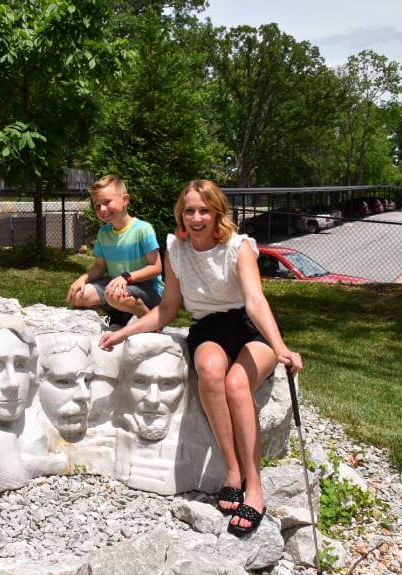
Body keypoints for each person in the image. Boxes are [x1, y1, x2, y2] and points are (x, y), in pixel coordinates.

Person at [100, 179, 303, 536]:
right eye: (190, 210)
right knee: (210, 373)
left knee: (237, 384)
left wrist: (281, 346)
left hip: (248, 327)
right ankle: (232, 470)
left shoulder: (238, 248)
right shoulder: (176, 250)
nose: (196, 218)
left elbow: (256, 302)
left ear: (217, 213)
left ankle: (254, 490)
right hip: (208, 327)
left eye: (204, 210)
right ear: (182, 214)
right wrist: (123, 333)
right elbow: (167, 310)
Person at [67, 175, 163, 327]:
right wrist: (82, 279)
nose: (102, 209)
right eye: (97, 205)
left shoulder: (143, 229)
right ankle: (123, 313)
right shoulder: (104, 233)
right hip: (117, 287)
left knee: (112, 294)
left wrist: (126, 278)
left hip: (148, 290)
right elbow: (99, 267)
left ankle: (148, 317)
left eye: (107, 202)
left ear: (125, 200)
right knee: (77, 296)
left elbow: (156, 268)